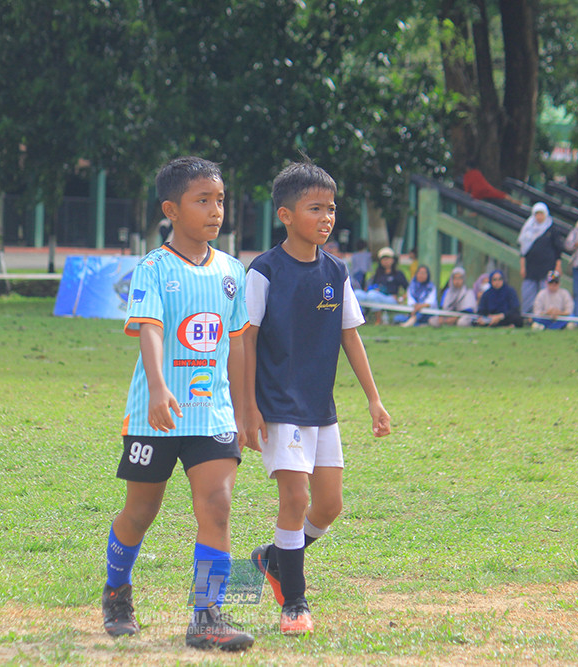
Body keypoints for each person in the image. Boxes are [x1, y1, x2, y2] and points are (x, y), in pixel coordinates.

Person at [101, 157, 255, 652]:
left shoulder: (233, 271)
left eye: (220, 199)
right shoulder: (153, 267)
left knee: (218, 505)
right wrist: (159, 385)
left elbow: (239, 345)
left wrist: (247, 409)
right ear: (171, 209)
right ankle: (117, 591)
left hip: (211, 413)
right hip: (157, 410)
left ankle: (207, 615)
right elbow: (150, 327)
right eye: (202, 200)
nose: (215, 210)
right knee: (140, 511)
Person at [243, 160, 391, 635]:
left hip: (321, 409)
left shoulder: (337, 270)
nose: (326, 218)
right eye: (315, 209)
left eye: (331, 209)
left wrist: (373, 399)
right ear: (285, 215)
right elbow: (244, 340)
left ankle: (272, 558)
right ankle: (295, 605)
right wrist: (247, 406)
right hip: (278, 405)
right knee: (296, 496)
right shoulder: (263, 271)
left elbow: (350, 335)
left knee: (328, 507)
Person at [518, 202, 564, 316]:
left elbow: (558, 250)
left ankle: (549, 316)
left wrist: (558, 266)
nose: (539, 217)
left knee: (550, 292)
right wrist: (522, 267)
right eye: (537, 214)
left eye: (541, 214)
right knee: (528, 292)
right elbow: (523, 251)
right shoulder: (528, 229)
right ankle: (527, 316)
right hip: (531, 267)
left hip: (549, 267)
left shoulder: (552, 228)